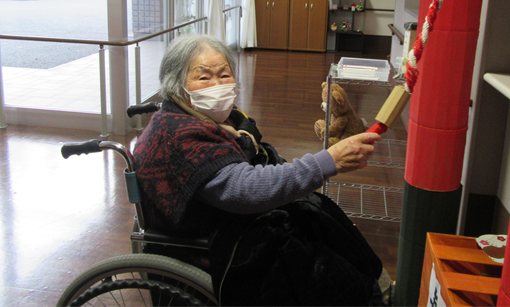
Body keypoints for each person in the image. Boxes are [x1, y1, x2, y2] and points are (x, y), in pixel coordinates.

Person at [133, 34, 390, 307]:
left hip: (227, 222)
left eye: (224, 75)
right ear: (176, 87)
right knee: (310, 255)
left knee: (314, 211)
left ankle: (373, 288)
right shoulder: (178, 135)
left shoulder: (215, 121)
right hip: (209, 244)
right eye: (203, 77)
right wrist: (327, 161)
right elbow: (243, 189)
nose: (217, 85)